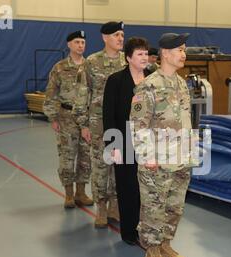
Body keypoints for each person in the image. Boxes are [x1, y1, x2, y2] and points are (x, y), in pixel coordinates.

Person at [130, 33, 195, 257]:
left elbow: (186, 119)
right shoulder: (148, 86)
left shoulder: (181, 83)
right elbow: (138, 125)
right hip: (156, 162)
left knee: (175, 206)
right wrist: (148, 156)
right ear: (165, 54)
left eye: (184, 49)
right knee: (153, 207)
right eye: (179, 49)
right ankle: (152, 250)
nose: (183, 54)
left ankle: (166, 244)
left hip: (180, 158)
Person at [103, 37, 152, 245]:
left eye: (146, 53)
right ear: (129, 57)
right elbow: (109, 115)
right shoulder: (116, 81)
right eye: (139, 54)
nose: (144, 57)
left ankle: (148, 229)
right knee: (127, 187)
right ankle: (129, 232)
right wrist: (113, 146)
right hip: (124, 140)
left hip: (148, 142)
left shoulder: (153, 79)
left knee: (148, 188)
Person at [43, 30, 93, 209]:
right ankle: (69, 194)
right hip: (66, 117)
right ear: (69, 45)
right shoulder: (60, 67)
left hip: (86, 118)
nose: (81, 45)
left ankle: (81, 192)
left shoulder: (90, 66)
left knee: (86, 157)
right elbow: (51, 93)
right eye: (77, 42)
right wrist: (53, 117)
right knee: (67, 156)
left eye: (83, 42)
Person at [86, 21, 127, 228]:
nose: (121, 38)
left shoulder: (127, 62)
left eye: (122, 34)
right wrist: (84, 124)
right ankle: (101, 208)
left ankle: (115, 207)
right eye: (116, 35)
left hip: (121, 124)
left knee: (119, 165)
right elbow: (83, 94)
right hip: (98, 124)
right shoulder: (92, 62)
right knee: (101, 167)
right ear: (105, 38)